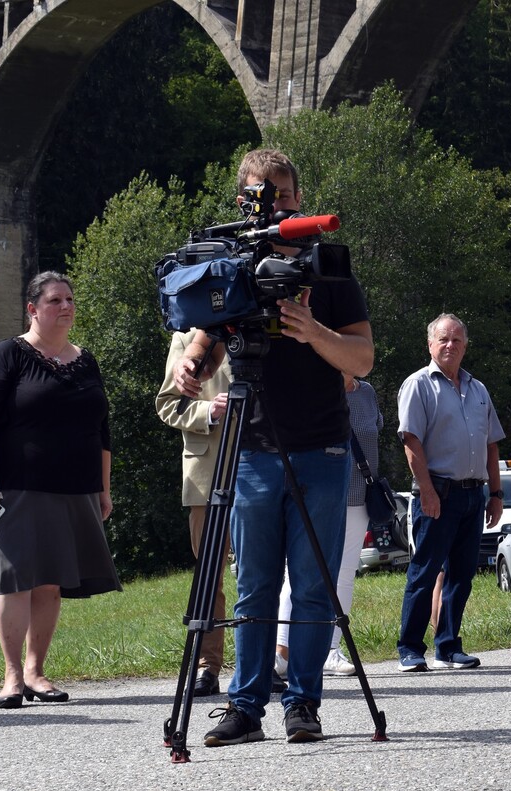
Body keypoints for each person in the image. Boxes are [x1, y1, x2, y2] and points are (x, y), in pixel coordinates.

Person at [173, 148, 373, 745]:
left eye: (285, 195)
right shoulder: (234, 269)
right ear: (244, 202)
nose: (276, 205)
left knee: (312, 582)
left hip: (322, 447)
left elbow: (361, 359)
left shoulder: (329, 270)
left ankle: (303, 704)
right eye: (264, 195)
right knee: (256, 582)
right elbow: (209, 334)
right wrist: (193, 361)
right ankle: (245, 704)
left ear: (299, 202)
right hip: (253, 446)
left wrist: (313, 331)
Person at [0, 271, 121, 709]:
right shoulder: (7, 356)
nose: (66, 306)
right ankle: (12, 677)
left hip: (76, 489)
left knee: (50, 583)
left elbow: (101, 432)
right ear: (33, 309)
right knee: (15, 578)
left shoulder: (85, 361)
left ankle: (36, 672)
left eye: (70, 299)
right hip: (16, 489)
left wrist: (103, 490)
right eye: (55, 300)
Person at [396, 314, 504, 671]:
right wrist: (426, 491)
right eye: (443, 339)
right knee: (424, 573)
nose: (450, 345)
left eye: (457, 340)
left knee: (462, 574)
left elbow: (491, 444)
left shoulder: (478, 389)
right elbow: (411, 441)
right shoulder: (418, 385)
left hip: (474, 495)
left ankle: (448, 645)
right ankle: (410, 648)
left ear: (465, 346)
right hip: (437, 493)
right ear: (430, 344)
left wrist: (497, 493)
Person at [275, 372, 382, 677]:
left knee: (345, 575)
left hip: (359, 496)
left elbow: (374, 434)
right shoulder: (317, 386)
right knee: (297, 573)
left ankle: (330, 651)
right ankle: (282, 652)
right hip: (319, 493)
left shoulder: (367, 392)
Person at [155, 330, 234, 696]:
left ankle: (264, 663)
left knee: (263, 576)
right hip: (208, 477)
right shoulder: (188, 339)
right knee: (209, 577)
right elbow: (168, 404)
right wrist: (209, 411)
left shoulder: (272, 327)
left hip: (264, 467)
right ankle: (207, 667)